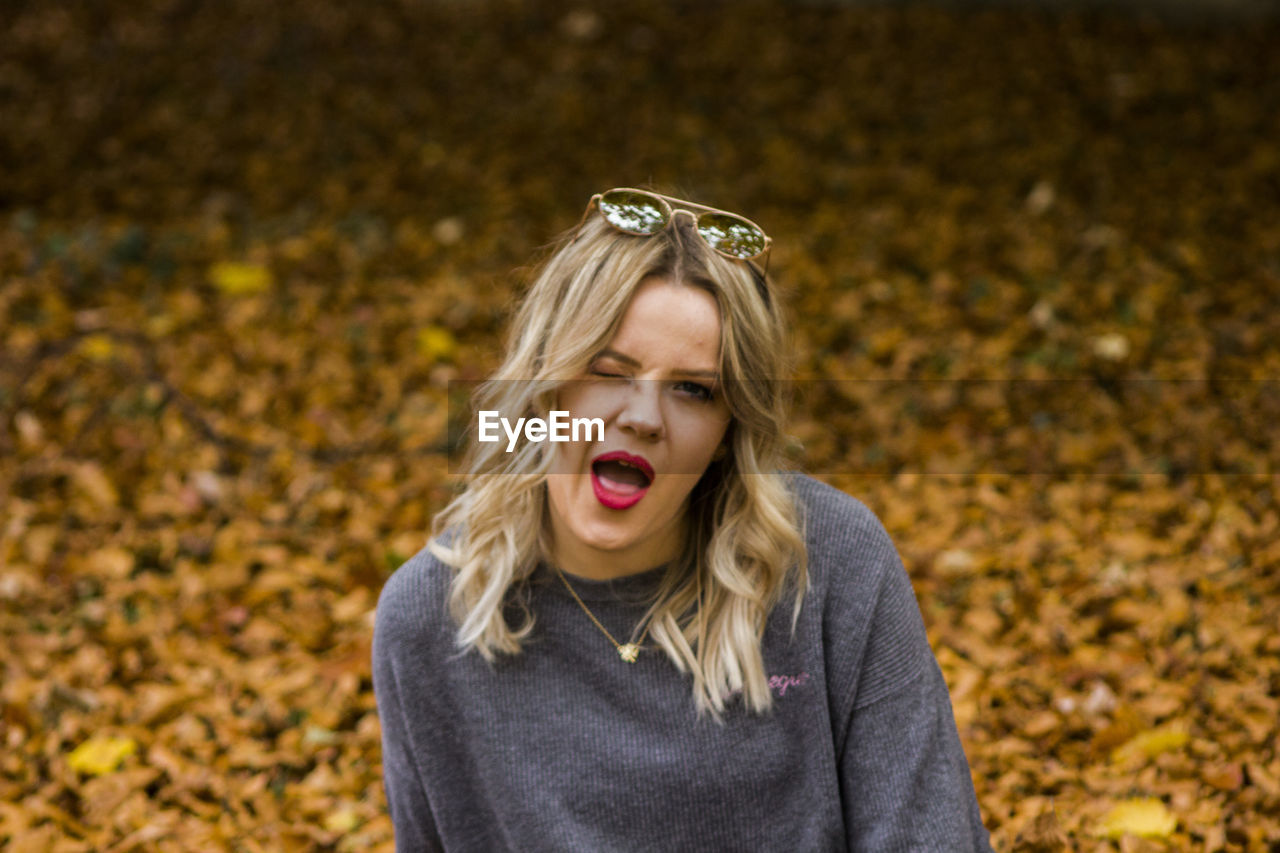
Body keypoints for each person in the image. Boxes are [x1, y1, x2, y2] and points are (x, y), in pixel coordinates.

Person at [373, 188, 994, 851]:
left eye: (693, 390)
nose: (643, 415)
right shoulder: (431, 620)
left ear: (728, 431)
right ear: (545, 384)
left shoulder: (833, 563)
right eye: (611, 371)